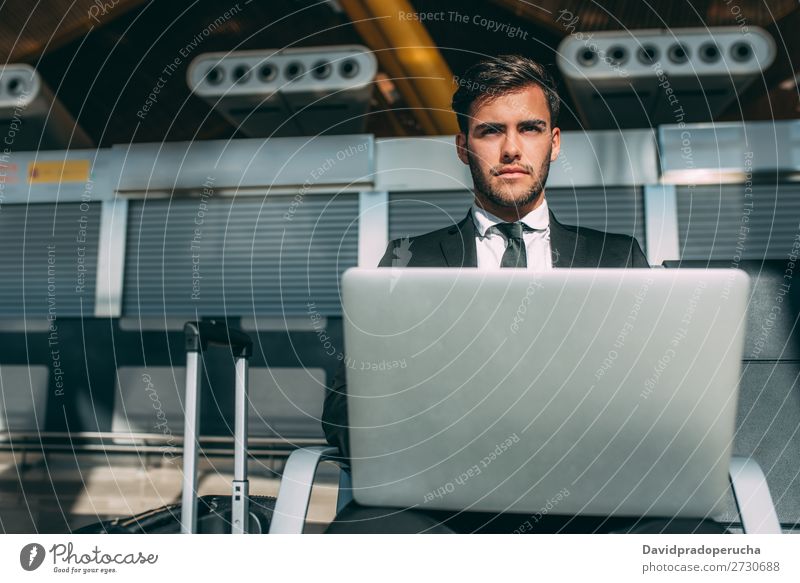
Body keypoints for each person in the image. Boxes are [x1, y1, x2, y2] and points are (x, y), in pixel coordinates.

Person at [321, 55, 716, 533]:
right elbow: (345, 407)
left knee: (696, 539)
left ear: (553, 142)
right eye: (490, 131)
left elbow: (659, 400)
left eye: (529, 128)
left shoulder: (616, 258)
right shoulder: (408, 260)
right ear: (463, 147)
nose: (511, 149)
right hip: (447, 503)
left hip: (589, 499)